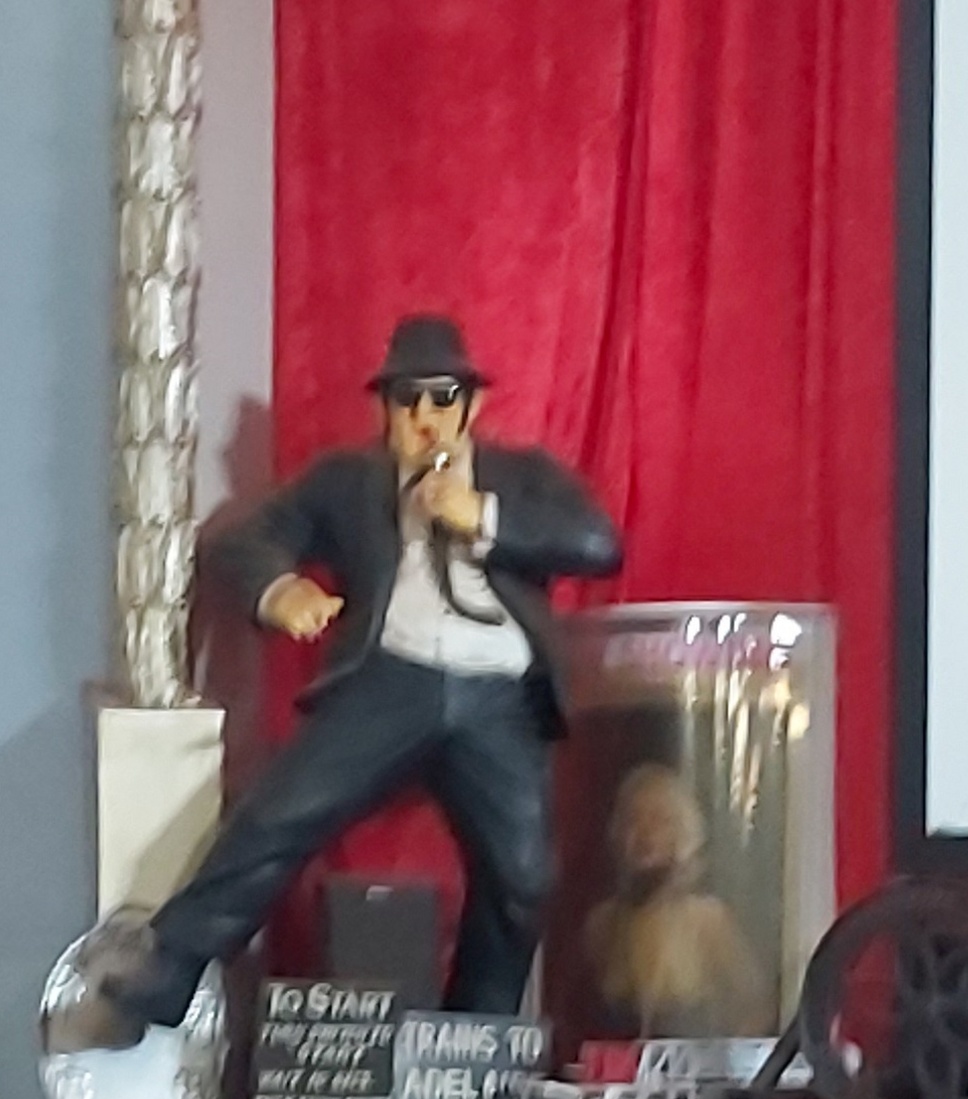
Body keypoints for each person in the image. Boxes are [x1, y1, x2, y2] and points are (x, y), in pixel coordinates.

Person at [54, 314, 622, 1046]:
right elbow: (248, 539)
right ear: (383, 408)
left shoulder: (521, 477)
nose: (424, 416)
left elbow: (597, 543)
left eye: (443, 398)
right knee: (282, 810)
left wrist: (482, 515)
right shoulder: (348, 482)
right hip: (390, 678)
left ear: (473, 405)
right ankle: (171, 963)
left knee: (523, 875)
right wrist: (279, 589)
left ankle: (472, 1041)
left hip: (496, 693)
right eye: (406, 399)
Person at [577, 761, 771, 1039]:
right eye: (633, 819)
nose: (645, 832)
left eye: (660, 820)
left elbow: (757, 1009)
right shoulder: (603, 926)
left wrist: (722, 1056)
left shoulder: (707, 921)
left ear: (684, 832)